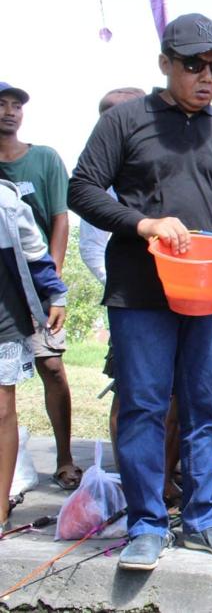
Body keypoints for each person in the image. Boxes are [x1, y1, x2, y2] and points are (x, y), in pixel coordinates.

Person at [68, 13, 212, 570]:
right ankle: (147, 524)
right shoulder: (128, 120)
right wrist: (143, 224)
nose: (207, 76)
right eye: (194, 65)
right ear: (165, 65)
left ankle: (203, 520)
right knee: (144, 407)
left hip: (211, 292)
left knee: (207, 406)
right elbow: (83, 188)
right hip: (141, 291)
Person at [0, 82, 78, 491]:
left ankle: (65, 458)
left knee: (52, 367)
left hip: (37, 285)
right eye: (2, 104)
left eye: (16, 106)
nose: (10, 112)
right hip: (2, 291)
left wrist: (53, 286)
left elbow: (59, 219)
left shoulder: (44, 159)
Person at [77, 87, 147, 453]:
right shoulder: (101, 176)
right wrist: (125, 284)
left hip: (174, 297)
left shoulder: (154, 158)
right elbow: (91, 248)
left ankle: (167, 470)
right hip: (130, 301)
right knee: (131, 393)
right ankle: (128, 478)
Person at [0, 174, 67, 534]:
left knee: (2, 409)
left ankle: (0, 511)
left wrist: (56, 295)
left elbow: (35, 253)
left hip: (2, 315)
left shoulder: (6, 202)